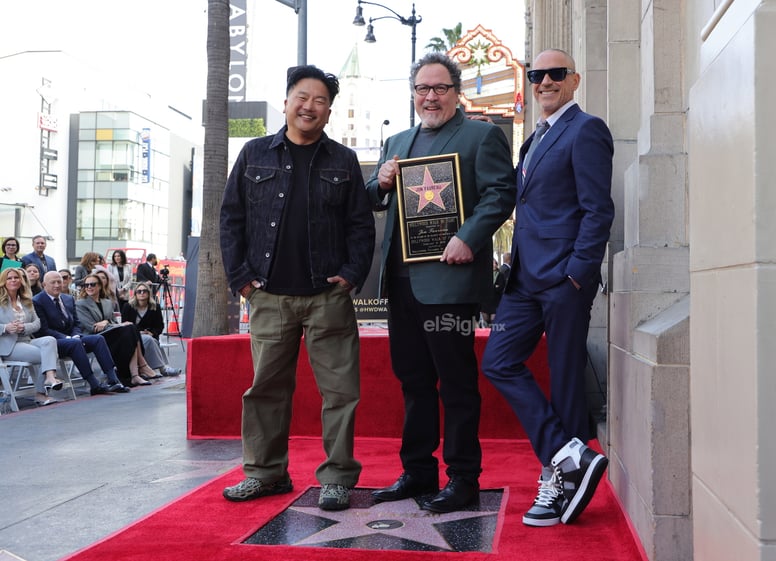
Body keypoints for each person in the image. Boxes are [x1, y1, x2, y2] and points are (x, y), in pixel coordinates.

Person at [220, 65, 375, 511]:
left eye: (320, 100)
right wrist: (243, 282)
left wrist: (350, 275)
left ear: (329, 111)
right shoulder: (253, 154)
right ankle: (265, 474)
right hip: (268, 296)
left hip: (328, 298)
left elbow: (360, 227)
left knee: (341, 393)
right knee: (265, 390)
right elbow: (230, 221)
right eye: (302, 97)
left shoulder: (343, 160)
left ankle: (338, 478)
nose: (310, 106)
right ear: (287, 101)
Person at [367, 52, 517, 513]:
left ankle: (463, 478)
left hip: (448, 283)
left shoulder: (481, 135)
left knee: (455, 382)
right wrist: (382, 182)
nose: (430, 97)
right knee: (412, 381)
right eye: (422, 89)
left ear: (456, 92)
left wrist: (468, 237)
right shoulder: (396, 140)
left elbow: (502, 192)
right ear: (413, 94)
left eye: (439, 88)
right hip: (400, 282)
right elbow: (373, 198)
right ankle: (417, 471)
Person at [481, 49, 614, 527]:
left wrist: (577, 272)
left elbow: (598, 209)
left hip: (563, 279)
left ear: (574, 80)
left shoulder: (587, 130)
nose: (545, 82)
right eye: (537, 75)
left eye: (555, 74)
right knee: (497, 362)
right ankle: (566, 454)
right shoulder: (533, 139)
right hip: (523, 280)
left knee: (565, 381)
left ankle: (559, 486)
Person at [33, 271, 130, 395]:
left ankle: (113, 380)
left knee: (98, 339)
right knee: (75, 343)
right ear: (44, 285)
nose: (57, 285)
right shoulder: (37, 301)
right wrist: (68, 338)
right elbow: (44, 329)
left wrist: (75, 334)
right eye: (53, 282)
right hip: (52, 342)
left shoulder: (67, 298)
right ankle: (94, 384)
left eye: (59, 282)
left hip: (73, 338)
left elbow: (77, 323)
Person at [75, 274, 156, 387]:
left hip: (110, 333)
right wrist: (107, 322)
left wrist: (107, 322)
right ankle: (141, 368)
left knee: (131, 327)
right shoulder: (80, 304)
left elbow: (113, 322)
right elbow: (91, 327)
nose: (89, 287)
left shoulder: (107, 302)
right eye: (86, 285)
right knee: (130, 330)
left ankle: (135, 375)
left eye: (92, 284)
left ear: (99, 286)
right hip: (95, 337)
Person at [0, 267, 64, 406]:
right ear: (3, 281)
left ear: (21, 281)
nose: (13, 280)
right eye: (9, 278)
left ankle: (49, 378)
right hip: (8, 345)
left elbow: (37, 323)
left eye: (16, 277)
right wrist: (6, 327)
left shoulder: (26, 301)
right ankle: (43, 391)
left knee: (50, 341)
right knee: (47, 355)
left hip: (26, 340)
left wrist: (24, 327)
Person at [121, 281, 181, 377]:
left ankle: (151, 368)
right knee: (150, 340)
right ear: (135, 294)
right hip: (132, 337)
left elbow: (160, 326)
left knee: (152, 340)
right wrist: (138, 332)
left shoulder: (155, 307)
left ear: (149, 293)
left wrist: (152, 333)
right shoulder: (128, 307)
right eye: (139, 291)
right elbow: (124, 324)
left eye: (144, 291)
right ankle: (163, 368)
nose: (142, 293)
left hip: (149, 336)